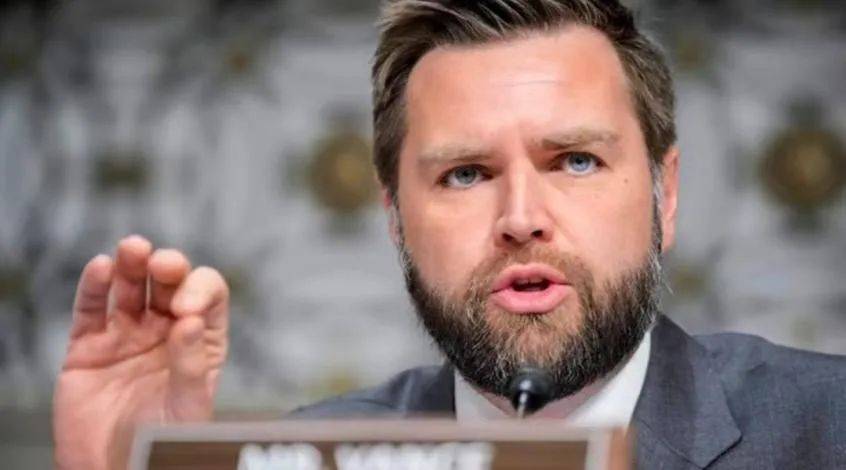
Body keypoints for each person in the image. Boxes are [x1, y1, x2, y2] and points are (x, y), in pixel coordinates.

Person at [53, 1, 846, 469]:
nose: (521, 217)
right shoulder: (315, 457)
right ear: (395, 219)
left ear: (664, 196)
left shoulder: (828, 426)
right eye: (466, 174)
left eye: (575, 160)